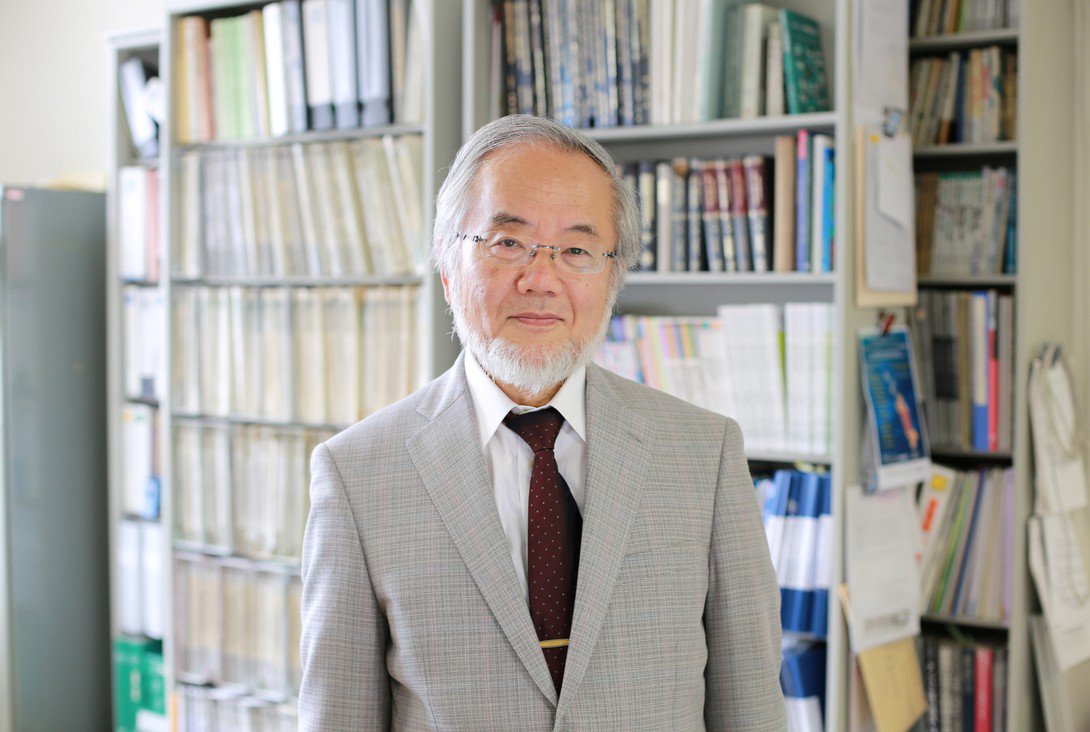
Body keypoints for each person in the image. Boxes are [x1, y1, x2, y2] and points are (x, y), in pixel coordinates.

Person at [299, 114, 786, 730]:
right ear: (447, 269)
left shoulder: (704, 454)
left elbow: (752, 708)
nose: (541, 280)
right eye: (508, 243)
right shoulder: (357, 473)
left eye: (577, 250)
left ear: (612, 279)